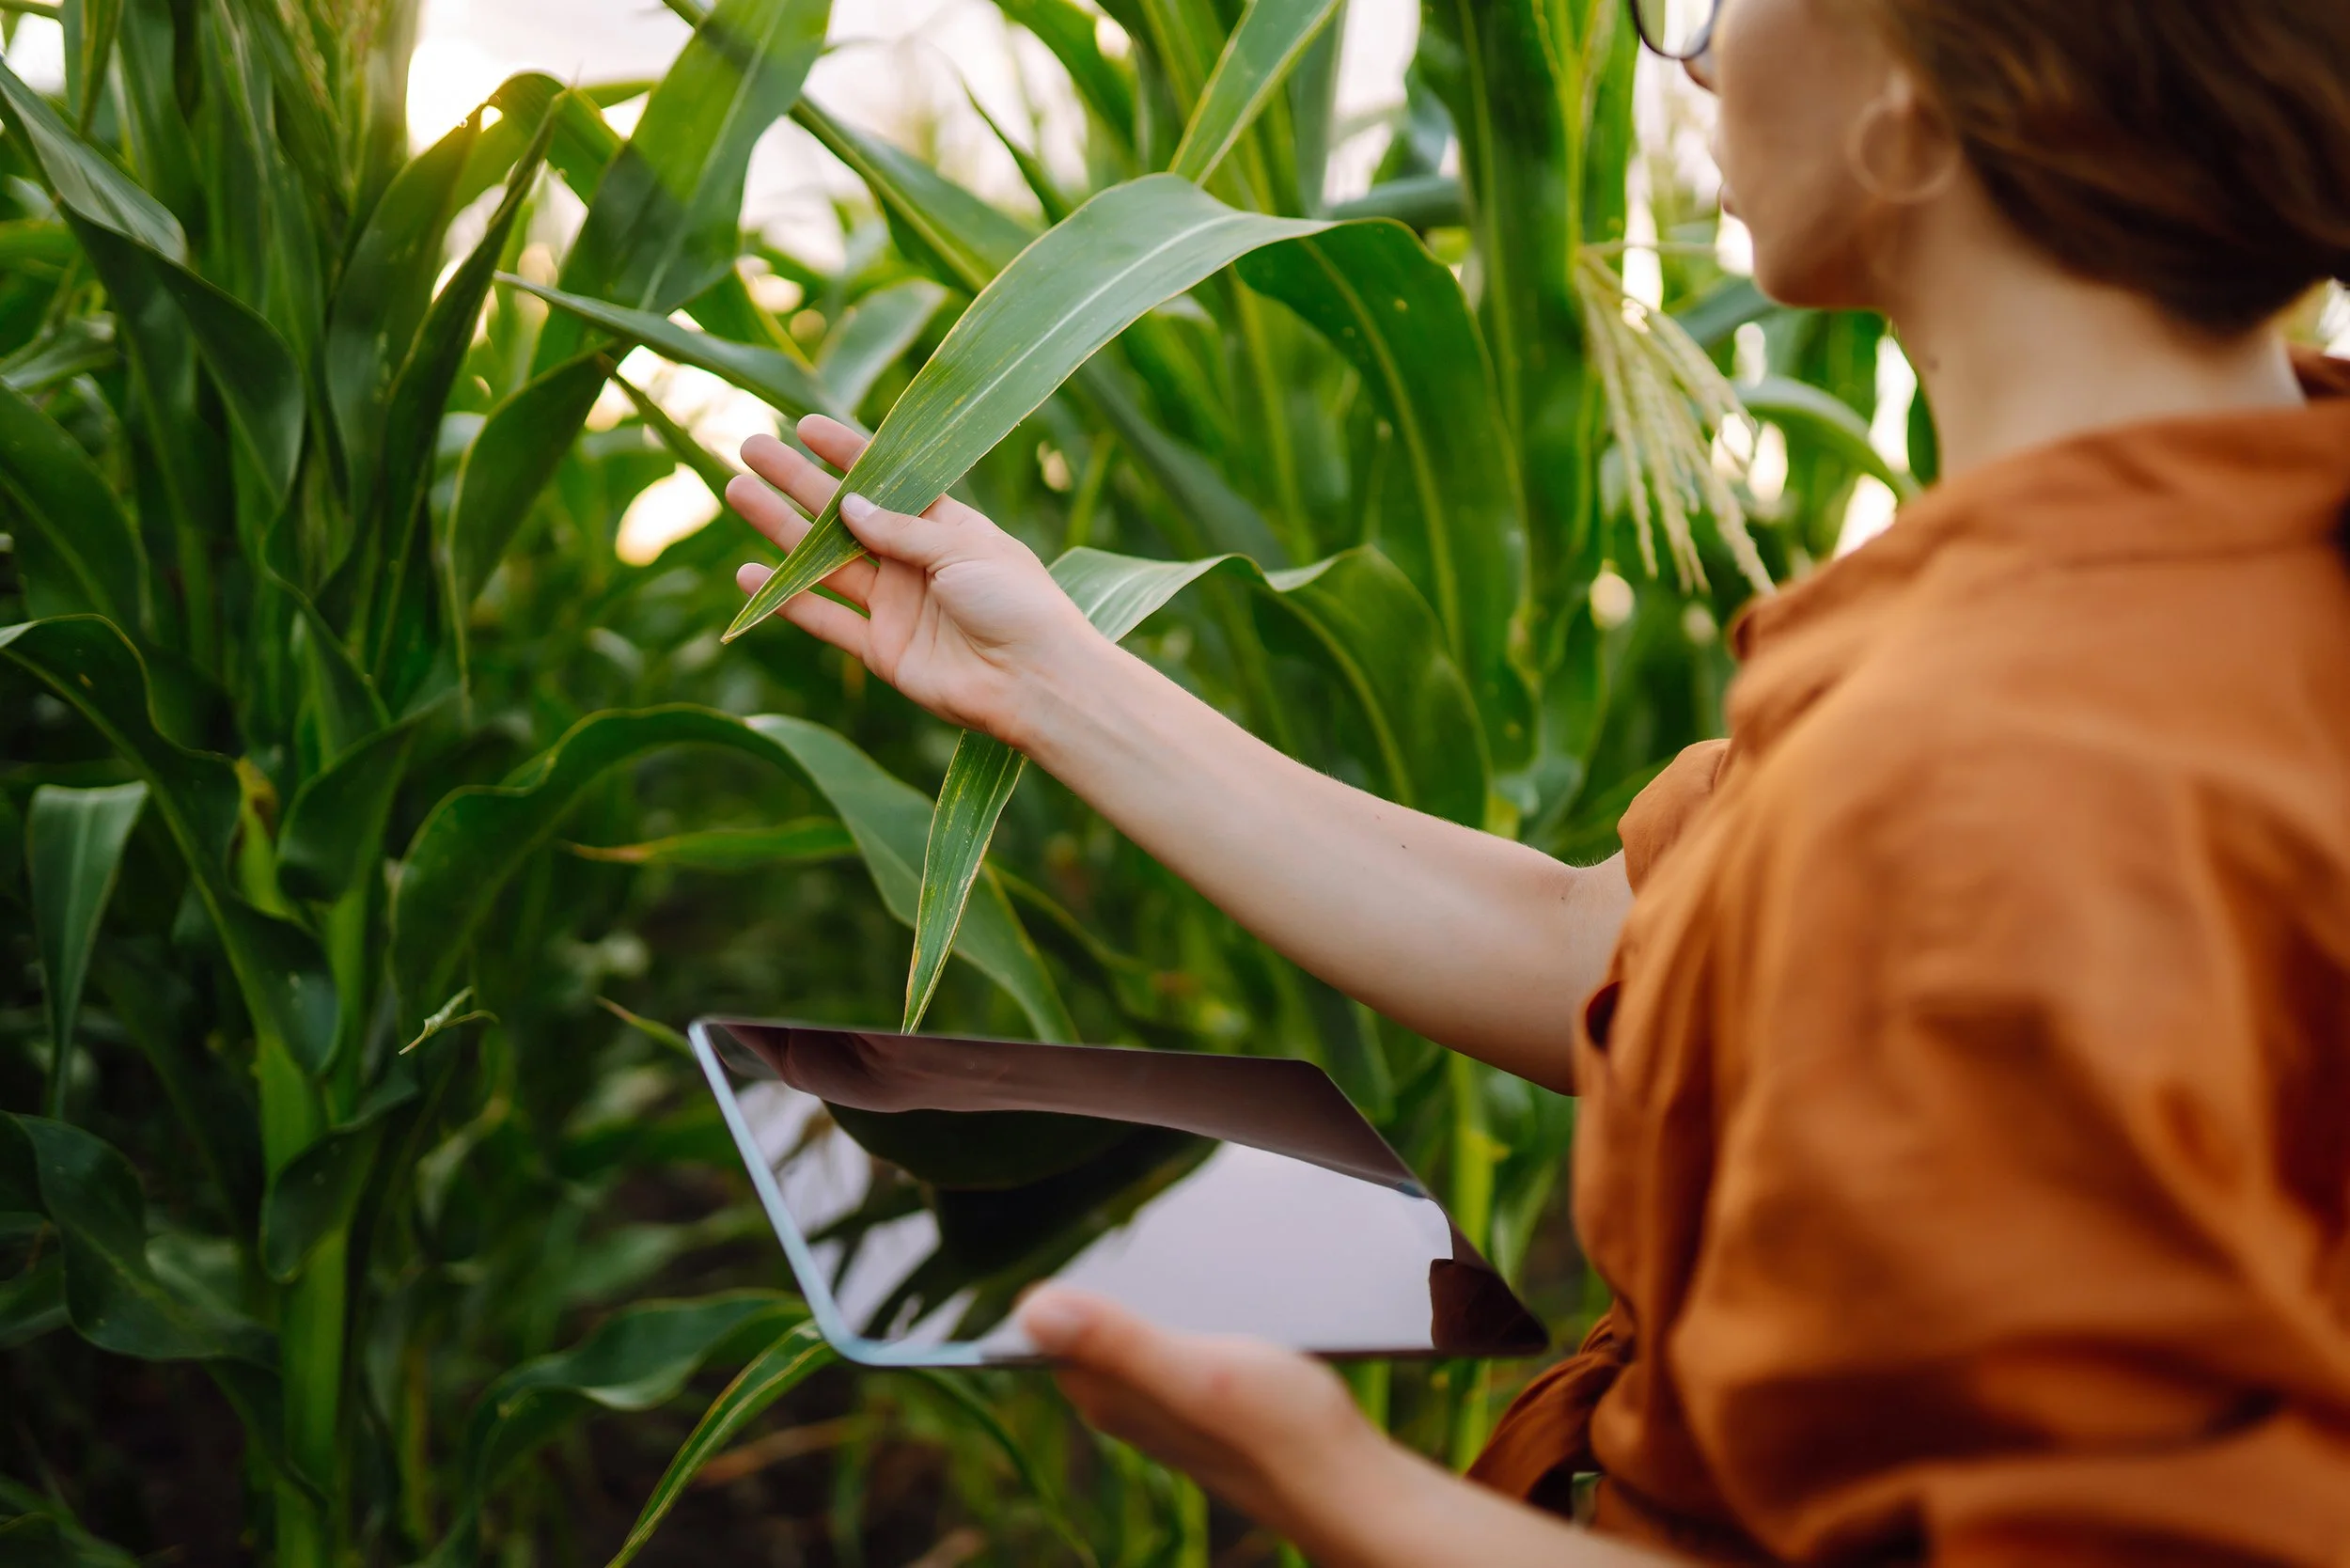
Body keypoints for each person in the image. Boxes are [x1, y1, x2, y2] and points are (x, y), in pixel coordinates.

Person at [722, 0, 2350, 1558]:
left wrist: (1347, 1492)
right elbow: (1606, 948)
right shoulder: (2186, 583)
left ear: (1921, 90)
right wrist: (1058, 679)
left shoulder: (2011, 762)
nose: (1688, 59)